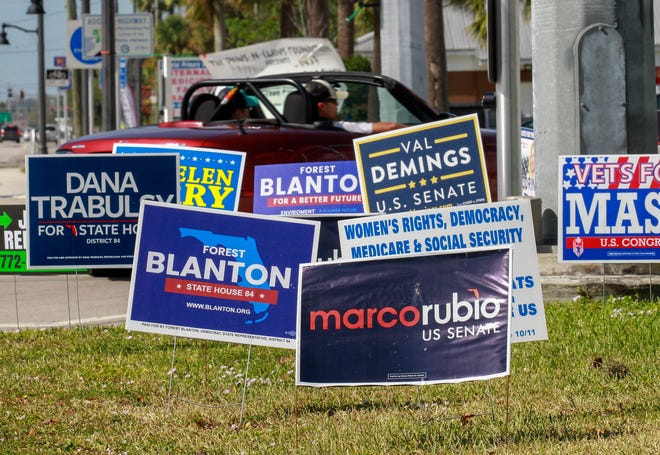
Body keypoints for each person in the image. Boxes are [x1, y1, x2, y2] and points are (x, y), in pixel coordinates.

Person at [306, 79, 405, 133]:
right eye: (333, 100)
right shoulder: (339, 127)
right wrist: (417, 132)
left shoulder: (294, 128)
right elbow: (391, 127)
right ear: (322, 106)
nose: (337, 104)